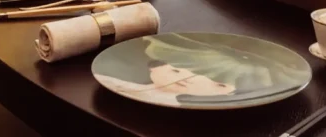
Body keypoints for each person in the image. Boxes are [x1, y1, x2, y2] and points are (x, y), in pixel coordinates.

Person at [94, 33, 310, 108]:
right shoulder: (111, 81)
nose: (189, 79)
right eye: (177, 70)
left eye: (219, 83)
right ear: (156, 66)